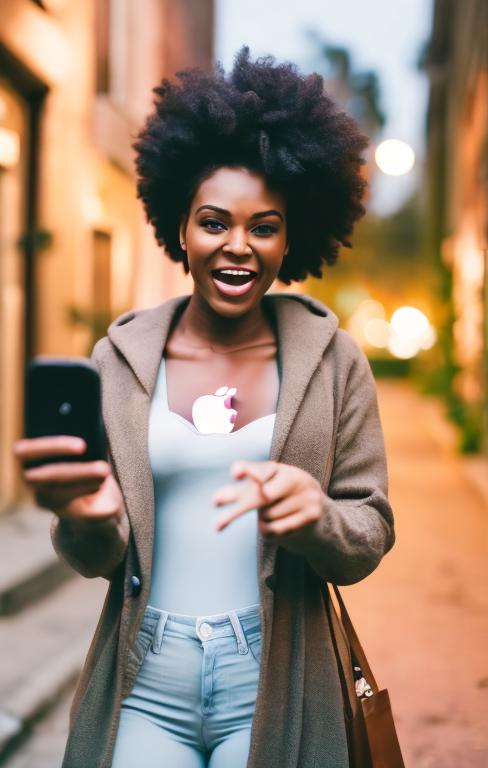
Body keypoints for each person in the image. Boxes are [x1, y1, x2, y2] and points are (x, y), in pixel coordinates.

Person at [13, 47, 395, 768]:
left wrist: (317, 516)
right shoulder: (119, 360)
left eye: (265, 226)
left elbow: (369, 533)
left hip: (275, 675)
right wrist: (86, 518)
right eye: (215, 222)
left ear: (294, 235)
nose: (238, 247)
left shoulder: (334, 360)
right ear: (180, 228)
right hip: (146, 676)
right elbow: (97, 554)